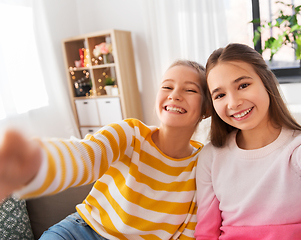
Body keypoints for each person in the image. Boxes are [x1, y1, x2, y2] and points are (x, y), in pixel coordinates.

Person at [0, 59, 210, 240]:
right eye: (167, 87)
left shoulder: (203, 163)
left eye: (190, 89)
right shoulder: (131, 133)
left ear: (206, 109)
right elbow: (86, 156)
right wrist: (36, 163)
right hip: (81, 231)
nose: (174, 95)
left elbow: (189, 229)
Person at [195, 43, 301, 240]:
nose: (233, 102)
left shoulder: (299, 149)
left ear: (266, 82)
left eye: (243, 85)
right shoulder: (211, 156)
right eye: (220, 95)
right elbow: (206, 233)